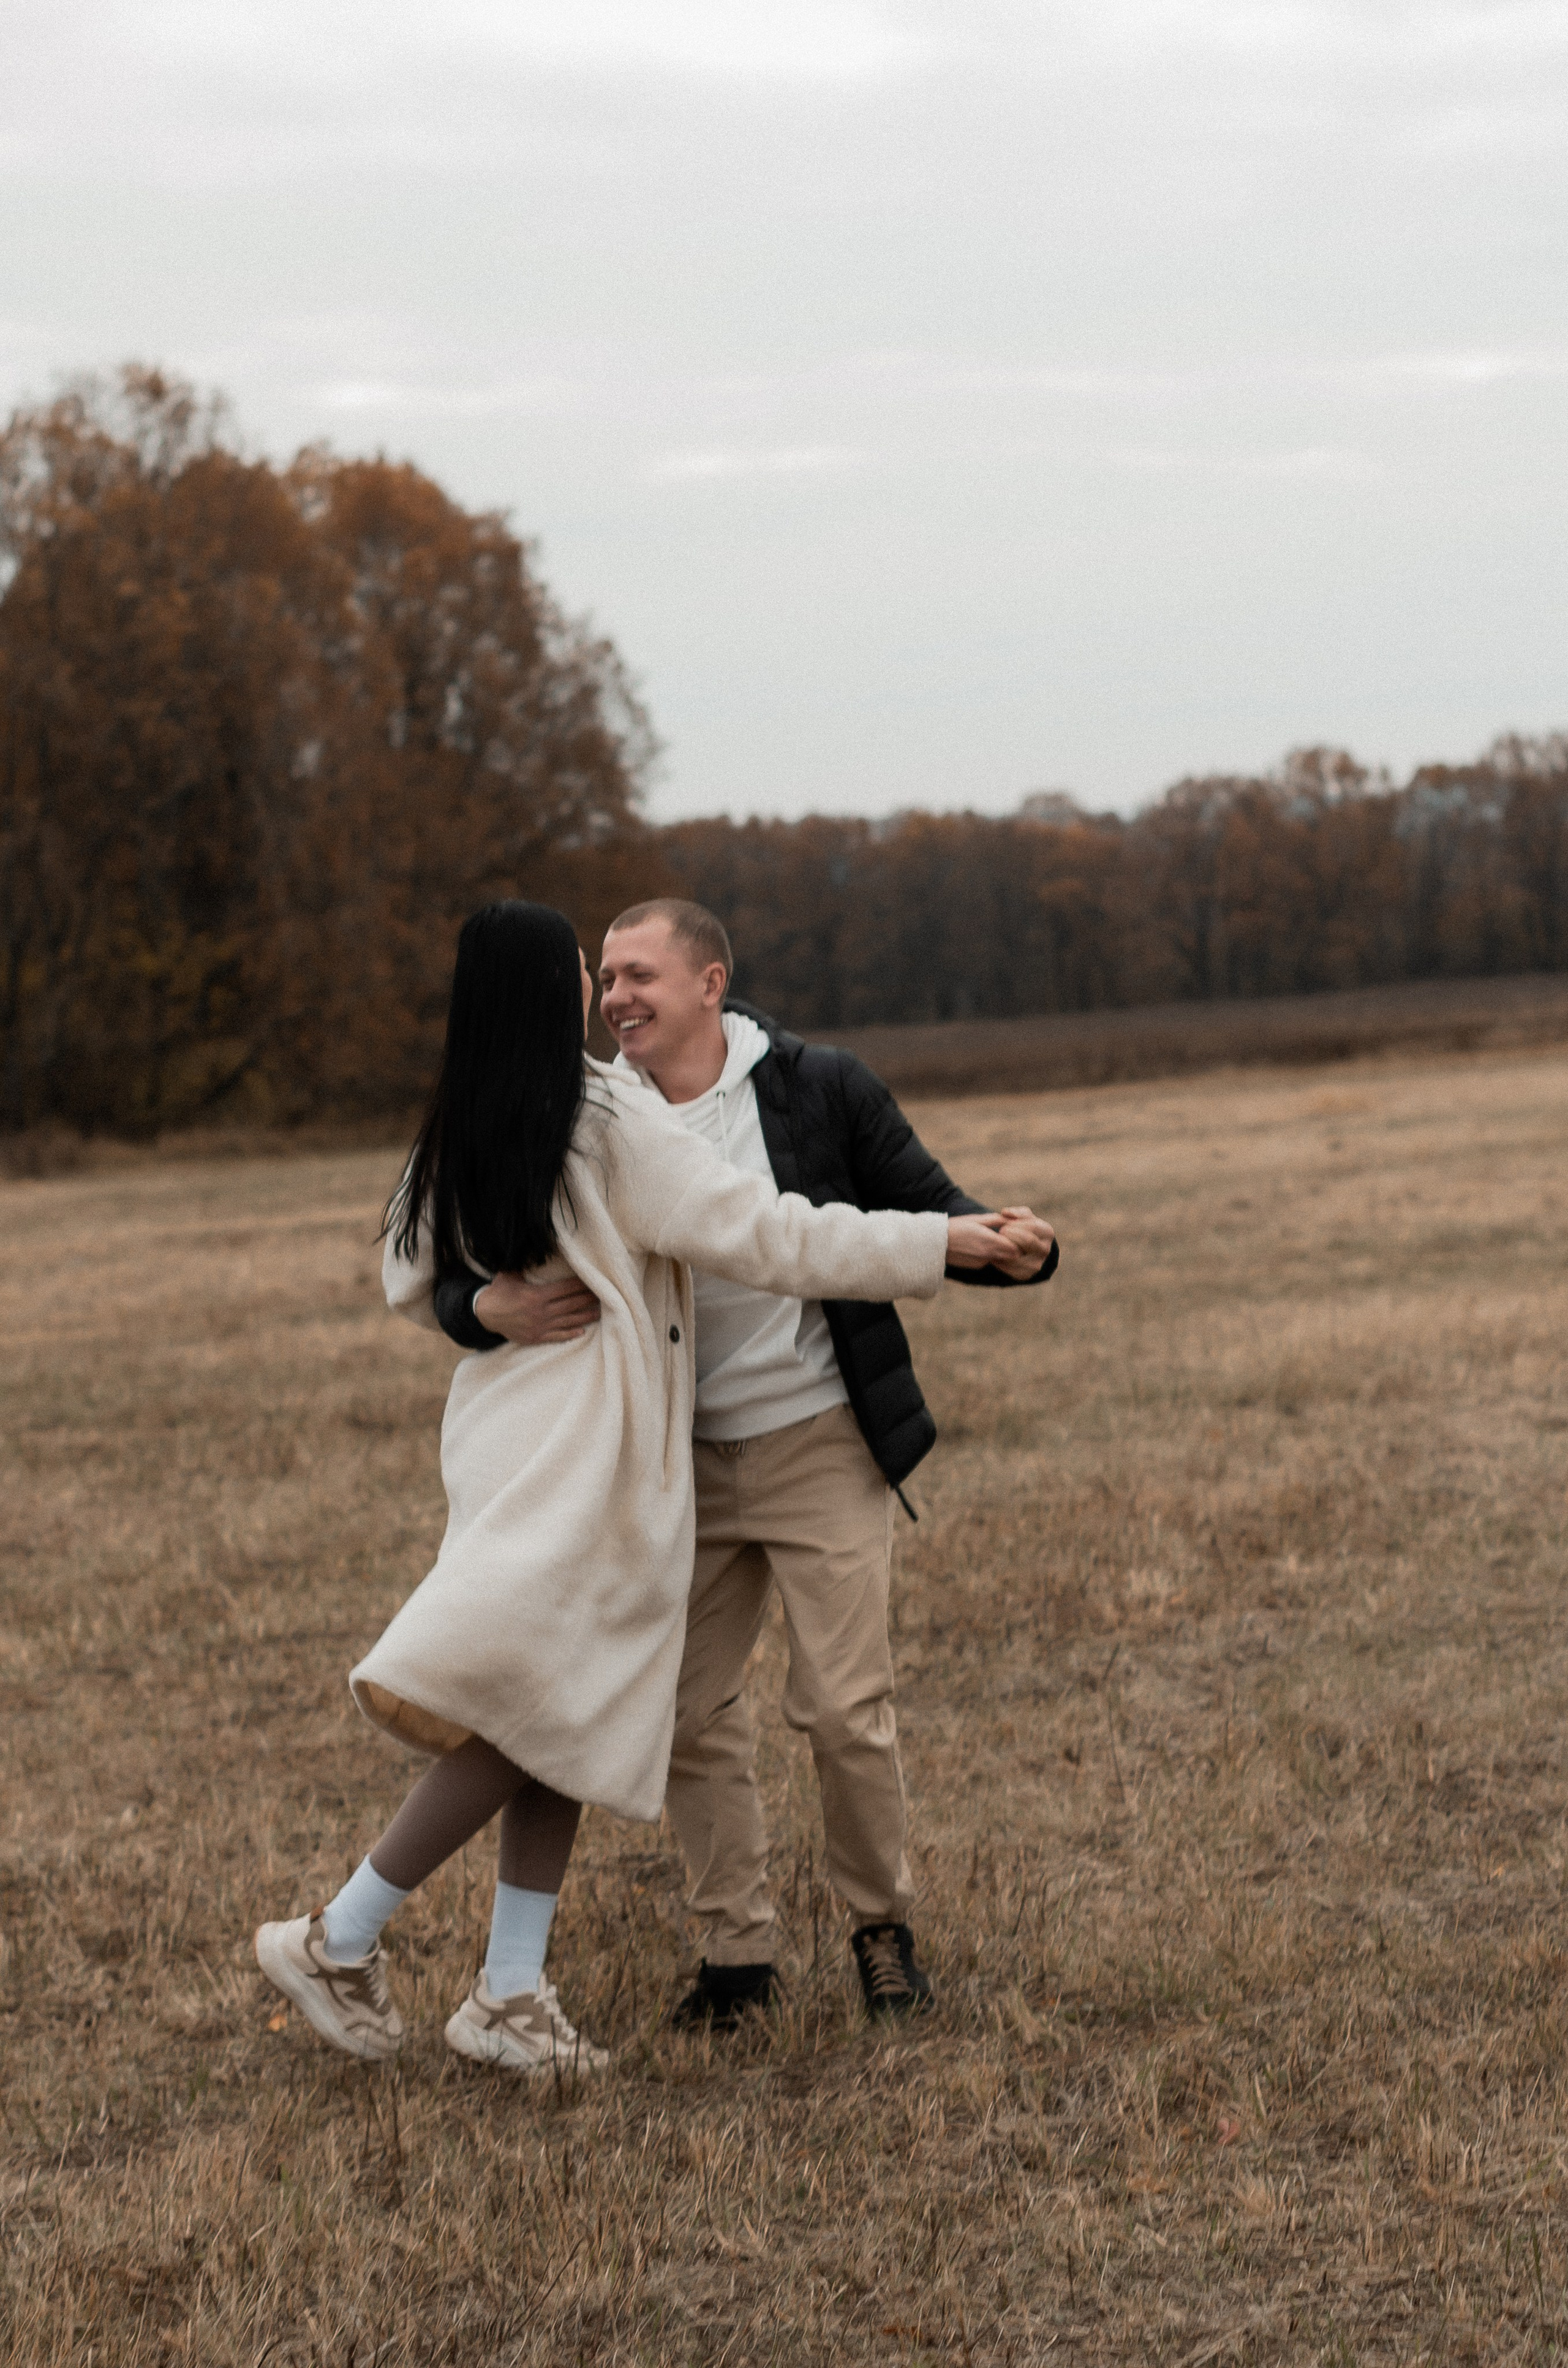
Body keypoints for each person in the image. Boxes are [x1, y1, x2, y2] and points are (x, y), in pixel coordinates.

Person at [254, 900, 1023, 2074]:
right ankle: (340, 1932)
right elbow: (765, 1233)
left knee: (567, 1705)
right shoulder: (607, 1116)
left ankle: (510, 1989)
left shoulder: (470, 1109)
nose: (600, 990)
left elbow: (409, 1274)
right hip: (596, 1457)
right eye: (583, 969)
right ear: (544, 988)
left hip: (513, 1443)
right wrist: (937, 1248)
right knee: (532, 1708)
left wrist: (474, 1308)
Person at [443, 898, 1057, 2028]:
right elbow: (455, 1249)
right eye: (608, 977)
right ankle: (737, 1958)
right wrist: (481, 1305)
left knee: (842, 1708)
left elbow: (916, 1202)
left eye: (642, 975)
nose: (618, 997)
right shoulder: (589, 1117)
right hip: (677, 1461)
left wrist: (999, 1244)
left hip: (822, 1436)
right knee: (682, 1709)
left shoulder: (820, 1085)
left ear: (711, 982)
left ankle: (882, 1931)